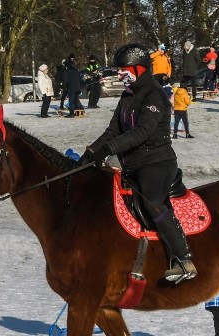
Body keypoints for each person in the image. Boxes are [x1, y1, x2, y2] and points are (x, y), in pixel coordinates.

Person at [81, 43, 196, 283]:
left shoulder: (154, 95)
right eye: (120, 70)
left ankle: (183, 259)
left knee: (152, 201)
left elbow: (142, 132)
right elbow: (113, 130)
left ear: (139, 68)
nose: (120, 74)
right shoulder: (127, 96)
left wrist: (108, 149)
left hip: (157, 162)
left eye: (124, 70)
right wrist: (91, 153)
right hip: (131, 164)